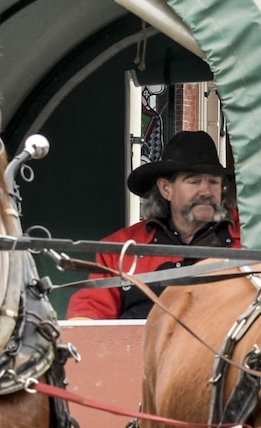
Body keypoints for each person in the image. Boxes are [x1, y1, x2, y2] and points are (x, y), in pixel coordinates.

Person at [66, 130, 239, 321]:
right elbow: (88, 313)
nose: (206, 191)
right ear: (166, 189)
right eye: (194, 181)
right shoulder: (122, 249)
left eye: (213, 182)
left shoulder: (249, 238)